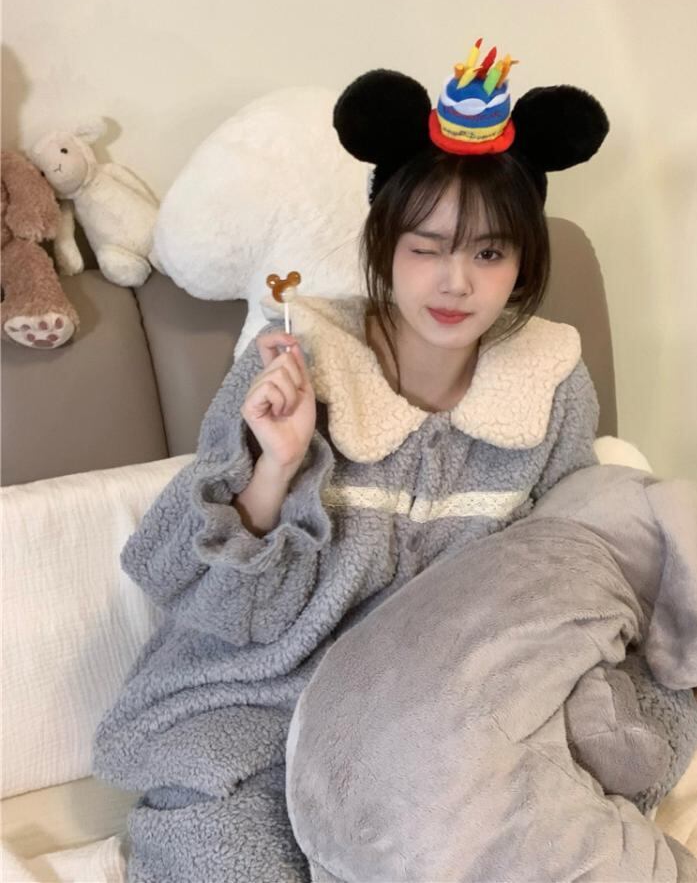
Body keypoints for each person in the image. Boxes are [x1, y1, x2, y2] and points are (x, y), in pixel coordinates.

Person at [91, 48, 608, 881]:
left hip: (424, 729)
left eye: (489, 253)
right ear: (384, 244)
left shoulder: (552, 387)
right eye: (426, 247)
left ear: (523, 263)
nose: (455, 281)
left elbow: (562, 574)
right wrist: (277, 467)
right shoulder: (295, 362)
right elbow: (211, 604)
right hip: (257, 711)